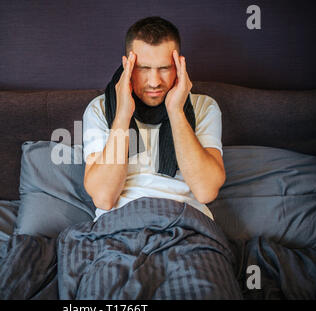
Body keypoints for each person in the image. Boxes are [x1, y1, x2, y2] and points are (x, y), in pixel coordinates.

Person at [82, 16, 225, 222]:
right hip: (120, 223)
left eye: (165, 68)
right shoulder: (100, 109)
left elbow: (206, 191)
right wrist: (123, 114)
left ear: (179, 65)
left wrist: (176, 111)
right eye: (143, 69)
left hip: (185, 223)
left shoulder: (204, 107)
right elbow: (104, 198)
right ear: (127, 66)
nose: (154, 82)